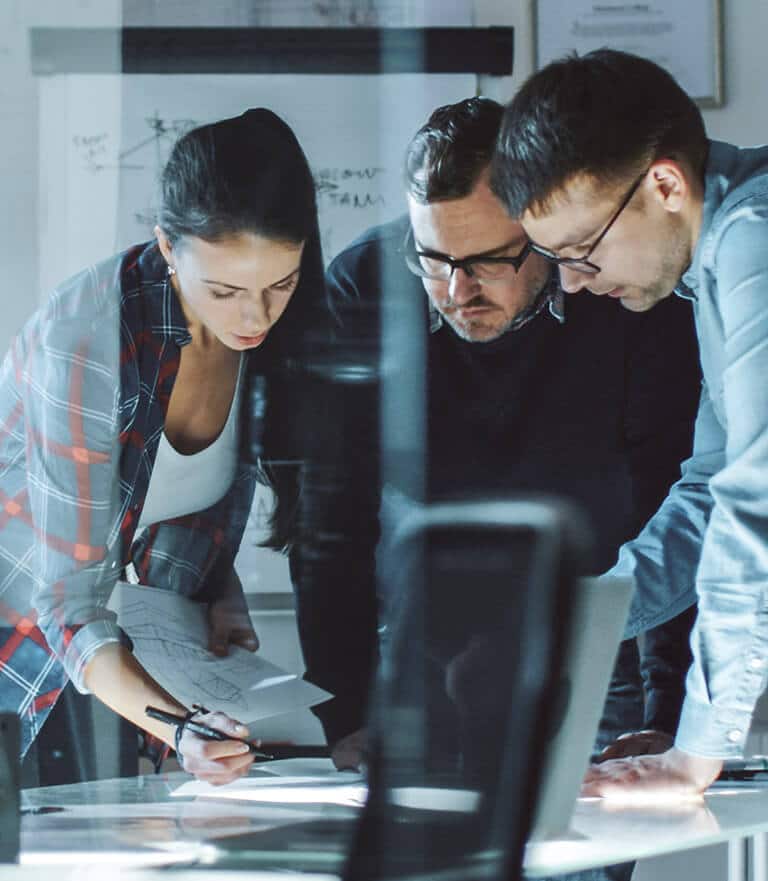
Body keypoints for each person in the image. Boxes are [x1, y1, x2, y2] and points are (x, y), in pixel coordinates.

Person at [307, 97, 701, 825]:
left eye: (488, 260)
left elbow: (674, 499)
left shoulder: (623, 287)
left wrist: (668, 709)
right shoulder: (363, 283)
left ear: (542, 226)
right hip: (422, 641)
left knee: (581, 856)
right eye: (434, 260)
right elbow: (331, 511)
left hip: (597, 633)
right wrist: (343, 707)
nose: (458, 292)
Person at [0, 108, 328, 785]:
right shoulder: (87, 339)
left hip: (129, 652)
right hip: (22, 627)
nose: (255, 316)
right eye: (226, 290)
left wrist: (217, 590)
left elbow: (162, 496)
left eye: (279, 285)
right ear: (168, 248)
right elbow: (67, 602)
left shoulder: (278, 340)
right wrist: (180, 727)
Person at [491, 47, 768, 799]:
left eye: (583, 252)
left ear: (666, 183)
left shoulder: (754, 239)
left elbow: (758, 501)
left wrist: (699, 747)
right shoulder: (713, 265)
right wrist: (578, 622)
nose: (576, 285)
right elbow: (710, 490)